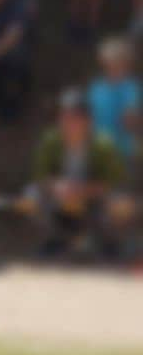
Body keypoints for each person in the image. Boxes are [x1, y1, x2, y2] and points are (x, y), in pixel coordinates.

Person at [28, 89, 131, 257]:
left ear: (88, 121)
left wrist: (82, 190)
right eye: (64, 117)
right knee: (31, 196)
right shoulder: (50, 141)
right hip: (59, 198)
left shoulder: (103, 144)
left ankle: (108, 242)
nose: (68, 123)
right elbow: (40, 175)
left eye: (74, 118)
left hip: (94, 200)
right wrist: (57, 186)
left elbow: (114, 181)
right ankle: (56, 239)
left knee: (120, 203)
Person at [87, 37, 141, 163]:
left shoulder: (131, 87)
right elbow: (88, 117)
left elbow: (132, 121)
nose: (114, 66)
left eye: (119, 61)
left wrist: (131, 119)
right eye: (110, 62)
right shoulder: (96, 87)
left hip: (121, 152)